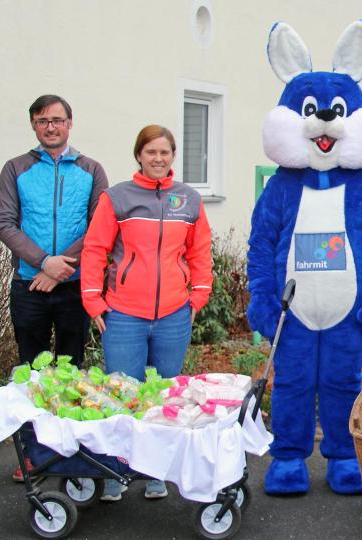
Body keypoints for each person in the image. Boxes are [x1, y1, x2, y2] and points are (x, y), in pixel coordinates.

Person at [80, 124, 213, 501]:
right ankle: (115, 473)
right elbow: (94, 250)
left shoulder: (188, 199)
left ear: (173, 156)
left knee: (162, 399)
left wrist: (198, 296)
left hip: (173, 315)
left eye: (165, 152)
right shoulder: (118, 198)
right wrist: (94, 300)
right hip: (124, 314)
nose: (158, 158)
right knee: (122, 396)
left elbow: (200, 252)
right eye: (151, 152)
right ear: (138, 154)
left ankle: (156, 473)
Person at [0, 94, 109, 482]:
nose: (50, 127)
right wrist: (44, 263)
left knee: (73, 370)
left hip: (76, 287)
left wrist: (61, 269)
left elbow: (99, 227)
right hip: (30, 286)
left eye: (57, 120)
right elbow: (6, 223)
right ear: (33, 125)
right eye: (43, 121)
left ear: (70, 123)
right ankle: (32, 456)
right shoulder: (16, 168)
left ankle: (70, 453)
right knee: (31, 373)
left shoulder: (91, 169)